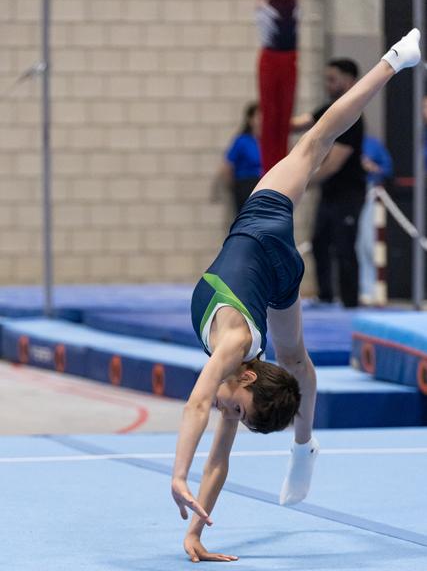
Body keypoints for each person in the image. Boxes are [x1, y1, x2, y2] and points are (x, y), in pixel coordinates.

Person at [171, 29, 421, 563]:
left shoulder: (235, 374)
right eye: (234, 405)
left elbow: (214, 445)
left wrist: (192, 523)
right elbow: (200, 416)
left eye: (232, 411)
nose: (224, 409)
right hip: (268, 226)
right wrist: (182, 491)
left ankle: (303, 444)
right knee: (313, 141)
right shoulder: (232, 347)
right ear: (246, 376)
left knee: (297, 360)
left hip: (270, 263)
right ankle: (394, 61)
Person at [291, 59, 366, 308]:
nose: (327, 85)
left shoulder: (353, 115)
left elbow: (333, 164)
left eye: (332, 79)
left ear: (348, 81)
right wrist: (273, 115)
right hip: (330, 193)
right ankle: (325, 297)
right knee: (320, 242)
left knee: (344, 247)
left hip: (349, 193)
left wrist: (297, 183)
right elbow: (300, 123)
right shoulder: (329, 109)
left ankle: (350, 303)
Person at [244, 0, 312, 173]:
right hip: (270, 59)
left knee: (285, 116)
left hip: (290, 59)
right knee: (270, 114)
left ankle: (281, 165)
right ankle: (267, 167)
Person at [356, 136, 394, 305]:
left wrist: (371, 167)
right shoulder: (338, 142)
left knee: (369, 242)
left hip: (371, 192)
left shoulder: (372, 144)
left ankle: (373, 289)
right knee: (357, 245)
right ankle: (363, 289)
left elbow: (387, 169)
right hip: (350, 193)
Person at [212, 102, 262, 216]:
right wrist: (232, 187)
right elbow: (227, 165)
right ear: (250, 120)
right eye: (259, 117)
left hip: (263, 185)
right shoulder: (242, 140)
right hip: (246, 185)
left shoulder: (266, 142)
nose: (262, 120)